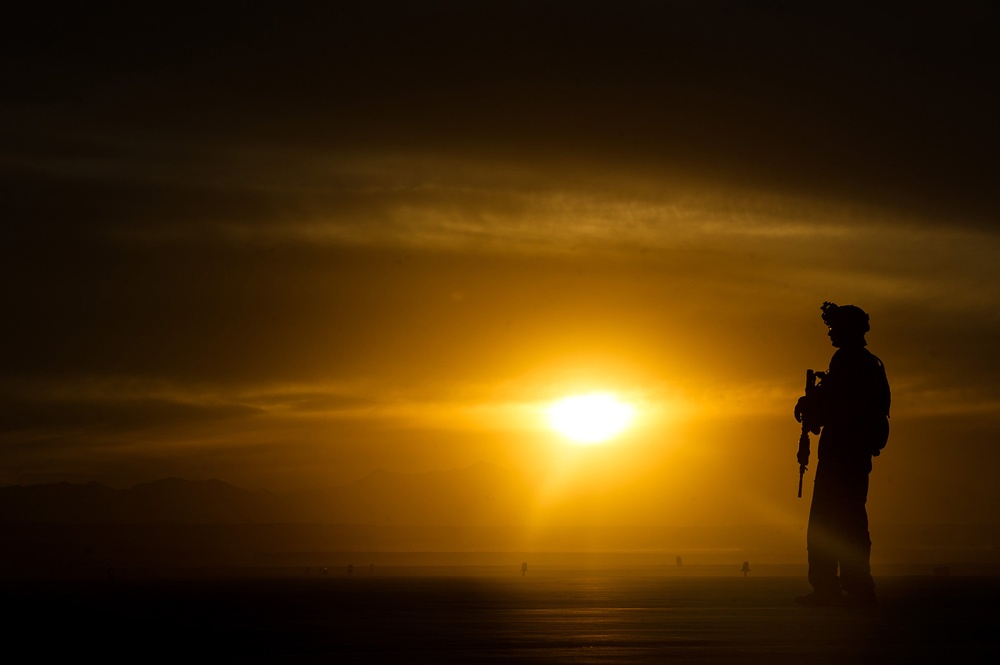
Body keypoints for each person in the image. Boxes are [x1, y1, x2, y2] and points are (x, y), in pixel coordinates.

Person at [794, 302, 890, 607]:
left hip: (844, 455)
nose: (831, 333)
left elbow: (843, 406)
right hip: (846, 453)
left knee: (835, 522)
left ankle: (843, 587)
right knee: (844, 521)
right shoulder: (860, 362)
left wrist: (813, 406)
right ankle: (848, 586)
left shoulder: (852, 363)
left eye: (836, 328)